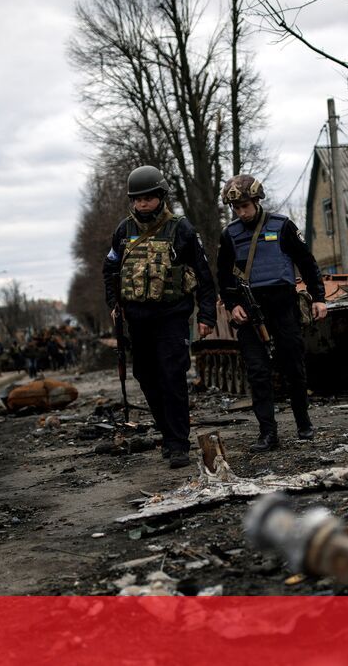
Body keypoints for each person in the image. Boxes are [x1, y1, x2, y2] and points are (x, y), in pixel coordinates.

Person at [103, 165, 216, 469]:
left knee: (172, 376)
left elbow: (204, 275)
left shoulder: (181, 229)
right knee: (147, 377)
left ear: (161, 197)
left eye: (148, 199)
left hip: (171, 316)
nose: (142, 204)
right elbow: (110, 270)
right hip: (137, 320)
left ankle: (179, 443)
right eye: (137, 200)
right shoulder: (123, 231)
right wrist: (114, 303)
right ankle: (168, 435)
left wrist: (207, 315)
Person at [216, 174, 327, 451]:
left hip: (283, 307)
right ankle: (268, 433)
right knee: (257, 372)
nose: (241, 212)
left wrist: (318, 297)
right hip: (249, 311)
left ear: (256, 201)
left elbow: (306, 261)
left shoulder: (282, 226)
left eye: (245, 206)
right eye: (236, 208)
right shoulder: (229, 235)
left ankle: (304, 424)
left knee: (293, 366)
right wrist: (233, 305)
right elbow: (224, 276)